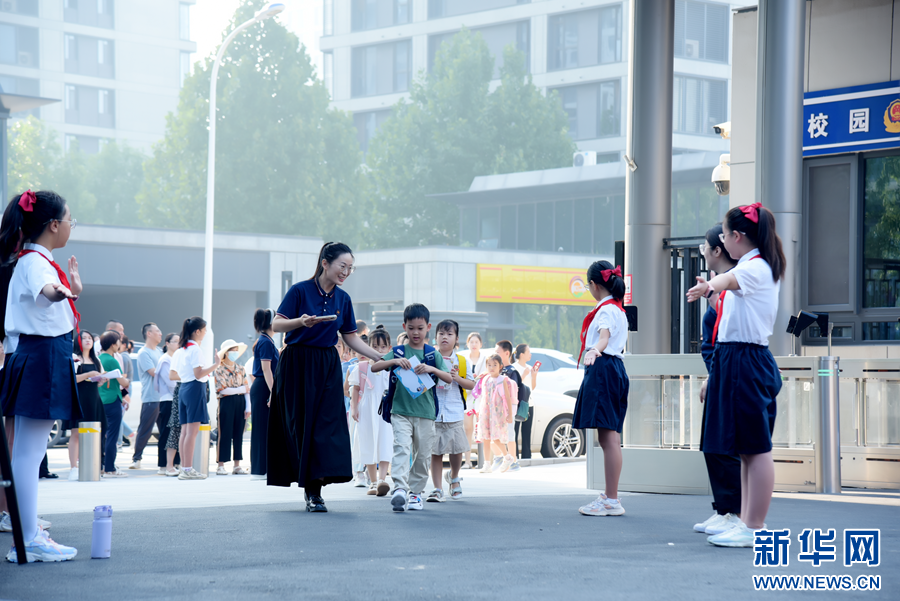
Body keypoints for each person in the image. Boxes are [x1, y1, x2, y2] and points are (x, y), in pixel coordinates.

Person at [686, 203, 785, 548]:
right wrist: (713, 294)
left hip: (745, 360)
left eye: (725, 234)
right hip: (736, 359)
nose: (722, 240)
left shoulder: (754, 267)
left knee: (755, 448)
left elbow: (728, 280)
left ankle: (754, 526)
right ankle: (746, 520)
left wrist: (711, 287)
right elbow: (734, 308)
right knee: (745, 448)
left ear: (737, 236)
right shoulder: (753, 266)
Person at [0, 189, 83, 563]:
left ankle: (27, 536)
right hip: (41, 357)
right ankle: (28, 538)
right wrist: (60, 290)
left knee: (28, 453)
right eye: (70, 220)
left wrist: (67, 289)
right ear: (53, 225)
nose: (71, 226)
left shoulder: (33, 259)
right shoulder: (35, 262)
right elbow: (46, 291)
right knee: (29, 454)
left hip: (38, 355)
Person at [269, 242, 383, 513]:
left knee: (326, 426)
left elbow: (351, 336)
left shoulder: (343, 299)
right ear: (325, 263)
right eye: (342, 266)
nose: (346, 272)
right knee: (302, 425)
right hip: (297, 361)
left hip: (327, 364)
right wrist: (301, 322)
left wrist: (379, 357)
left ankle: (316, 490)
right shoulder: (300, 290)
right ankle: (309, 489)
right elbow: (276, 324)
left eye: (350, 268)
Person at [371, 303, 452, 513]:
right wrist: (395, 361)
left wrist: (431, 368)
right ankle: (399, 488)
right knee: (401, 448)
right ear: (404, 326)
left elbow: (448, 378)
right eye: (411, 328)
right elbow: (375, 366)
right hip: (400, 411)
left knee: (423, 454)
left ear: (428, 327)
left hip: (426, 413)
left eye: (420, 328)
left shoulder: (433, 354)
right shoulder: (398, 351)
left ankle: (415, 493)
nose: (416, 332)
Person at [692, 224, 743, 537]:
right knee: (712, 445)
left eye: (706, 247)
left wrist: (717, 374)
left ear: (718, 250)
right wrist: (712, 375)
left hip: (731, 374)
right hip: (719, 373)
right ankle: (723, 508)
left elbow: (730, 331)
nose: (705, 252)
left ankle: (734, 512)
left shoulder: (734, 286)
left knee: (726, 446)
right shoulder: (718, 289)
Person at [573, 261, 629, 517]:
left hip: (604, 368)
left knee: (608, 439)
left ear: (594, 285)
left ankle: (612, 499)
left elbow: (603, 337)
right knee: (611, 437)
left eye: (588, 285)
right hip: (615, 369)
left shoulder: (606, 311)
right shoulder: (618, 309)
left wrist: (595, 349)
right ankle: (610, 496)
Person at [427, 320, 474, 501]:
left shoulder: (462, 360)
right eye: (441, 334)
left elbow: (471, 384)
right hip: (433, 411)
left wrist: (457, 378)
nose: (444, 337)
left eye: (449, 334)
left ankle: (454, 478)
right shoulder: (430, 357)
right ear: (435, 337)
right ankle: (437, 488)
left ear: (457, 339)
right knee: (435, 451)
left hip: (454, 411)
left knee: (456, 449)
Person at [348, 327, 393, 496]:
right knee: (368, 443)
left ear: (389, 348)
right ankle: (373, 482)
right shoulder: (361, 367)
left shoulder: (392, 367)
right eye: (375, 346)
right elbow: (355, 389)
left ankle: (382, 480)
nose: (379, 350)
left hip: (386, 411)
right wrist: (354, 408)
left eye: (383, 347)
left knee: (385, 443)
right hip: (366, 410)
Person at [175, 316, 219, 481]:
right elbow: (199, 373)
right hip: (194, 387)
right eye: (204, 330)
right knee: (191, 432)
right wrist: (216, 364)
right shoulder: (195, 350)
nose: (206, 333)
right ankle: (187, 469)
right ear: (197, 331)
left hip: (184, 388)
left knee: (185, 431)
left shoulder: (182, 349)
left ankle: (184, 468)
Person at [69, 330, 104, 481]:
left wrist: (102, 379)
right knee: (76, 433)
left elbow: (100, 380)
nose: (88, 340)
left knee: (93, 433)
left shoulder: (96, 360)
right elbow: (72, 379)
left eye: (90, 338)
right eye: (84, 338)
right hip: (79, 398)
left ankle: (90, 465)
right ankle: (73, 468)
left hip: (93, 399)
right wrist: (88, 375)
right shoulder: (74, 358)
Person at [475, 354, 517, 474]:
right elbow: (483, 396)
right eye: (489, 365)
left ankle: (507, 457)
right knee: (485, 438)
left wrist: (509, 414)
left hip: (497, 413)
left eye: (495, 365)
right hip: (486, 412)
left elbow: (507, 398)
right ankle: (487, 464)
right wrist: (479, 411)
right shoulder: (486, 379)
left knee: (495, 437)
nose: (491, 367)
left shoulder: (502, 380)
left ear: (500, 366)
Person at [214, 339, 250, 475]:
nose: (235, 353)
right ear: (226, 353)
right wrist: (241, 388)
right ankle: (221, 465)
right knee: (224, 433)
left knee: (238, 433)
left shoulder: (241, 369)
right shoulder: (219, 369)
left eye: (236, 350)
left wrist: (248, 407)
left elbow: (247, 389)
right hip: (226, 402)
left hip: (240, 402)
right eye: (232, 351)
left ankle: (237, 465)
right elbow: (223, 390)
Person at [129, 323, 163, 469]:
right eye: (157, 330)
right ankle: (137, 458)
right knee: (145, 429)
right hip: (151, 397)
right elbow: (154, 372)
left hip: (164, 397)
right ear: (149, 334)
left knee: (165, 430)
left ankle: (166, 462)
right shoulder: (144, 353)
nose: (160, 333)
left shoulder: (160, 351)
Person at [250, 308, 278, 481]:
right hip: (263, 387)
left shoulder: (266, 340)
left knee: (264, 429)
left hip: (263, 386)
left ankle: (263, 468)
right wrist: (274, 392)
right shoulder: (266, 342)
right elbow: (266, 370)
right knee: (261, 429)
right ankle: (259, 470)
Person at [98, 331, 130, 478]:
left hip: (101, 400)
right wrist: (126, 381)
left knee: (100, 434)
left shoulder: (98, 359)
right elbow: (123, 382)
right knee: (112, 434)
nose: (119, 345)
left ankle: (100, 465)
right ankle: (110, 467)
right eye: (118, 342)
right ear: (113, 344)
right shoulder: (112, 360)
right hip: (112, 401)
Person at [493, 340, 524, 472]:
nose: (495, 354)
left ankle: (514, 462)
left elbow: (512, 394)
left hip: (509, 408)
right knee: (495, 435)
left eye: (497, 352)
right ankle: (501, 458)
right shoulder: (498, 370)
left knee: (510, 435)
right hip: (499, 408)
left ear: (506, 353)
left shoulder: (511, 371)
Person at [153, 333, 180, 475]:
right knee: (166, 433)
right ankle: (163, 465)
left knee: (175, 432)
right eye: (175, 341)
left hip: (176, 399)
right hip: (168, 400)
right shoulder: (165, 360)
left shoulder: (175, 359)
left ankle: (175, 463)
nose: (178, 344)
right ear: (167, 343)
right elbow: (171, 383)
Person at [460, 332, 486, 469]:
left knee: (482, 428)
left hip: (482, 398)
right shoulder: (463, 358)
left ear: (481, 344)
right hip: (468, 397)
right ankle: (468, 461)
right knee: (467, 429)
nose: (474, 344)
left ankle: (485, 461)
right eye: (472, 342)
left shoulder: (486, 358)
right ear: (468, 344)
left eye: (476, 342)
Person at [512, 343, 537, 460]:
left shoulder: (529, 367)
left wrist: (534, 375)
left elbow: (532, 387)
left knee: (527, 431)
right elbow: (514, 385)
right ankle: (514, 456)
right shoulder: (514, 367)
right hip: (517, 403)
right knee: (515, 431)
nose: (530, 354)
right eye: (528, 352)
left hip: (528, 403)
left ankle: (527, 456)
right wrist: (524, 374)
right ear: (521, 354)